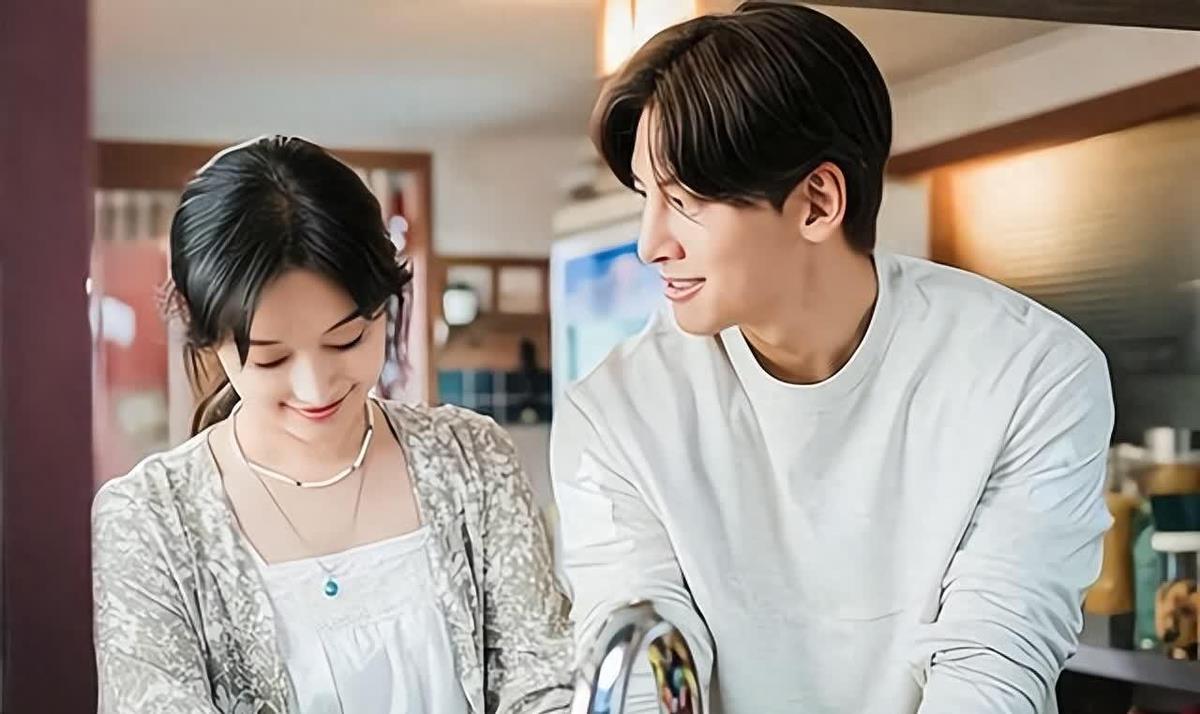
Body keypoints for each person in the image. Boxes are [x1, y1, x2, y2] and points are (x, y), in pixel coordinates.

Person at [550, 3, 1114, 713]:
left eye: (686, 199)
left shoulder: (1029, 373)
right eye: (645, 196)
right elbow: (647, 671)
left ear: (817, 202)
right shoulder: (617, 413)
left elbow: (994, 660)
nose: (649, 244)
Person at [92, 136, 573, 713]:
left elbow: (543, 686)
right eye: (271, 359)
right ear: (207, 337)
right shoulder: (149, 522)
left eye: (347, 341)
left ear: (385, 306)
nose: (316, 389)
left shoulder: (473, 461)